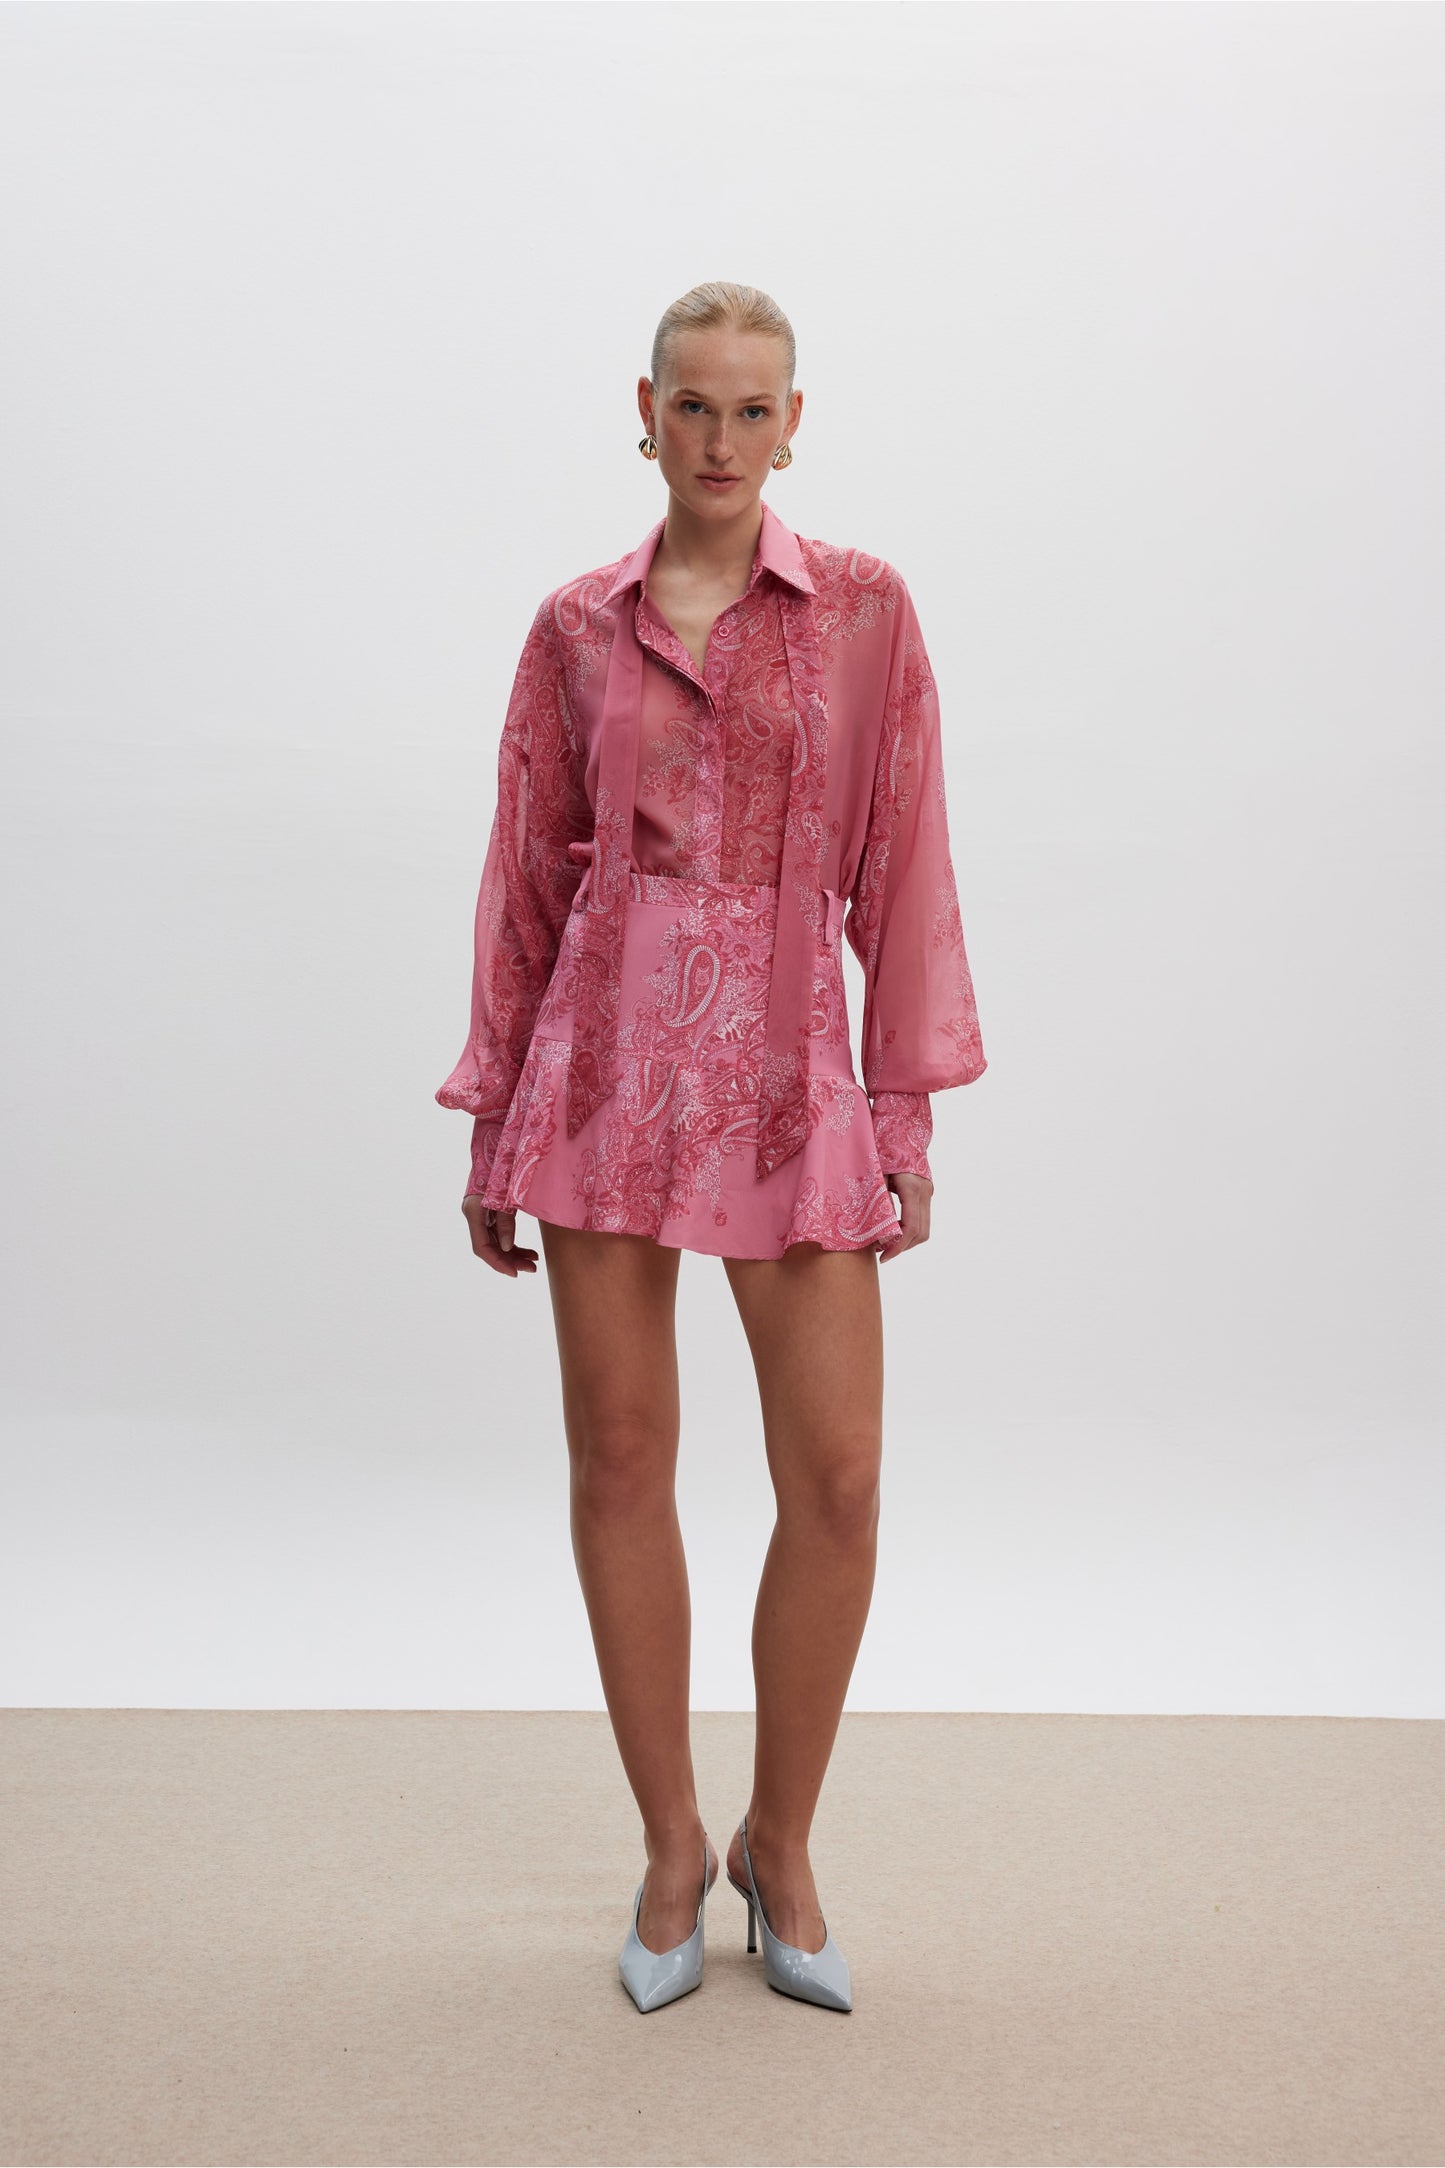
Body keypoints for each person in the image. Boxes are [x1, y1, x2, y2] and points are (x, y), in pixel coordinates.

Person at [435, 280, 986, 2013]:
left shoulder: (864, 610)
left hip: (785, 1069)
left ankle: (781, 1842)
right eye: (693, 406)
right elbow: (527, 870)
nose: (721, 439)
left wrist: (897, 1109)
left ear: (793, 423)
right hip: (601, 1065)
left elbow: (902, 858)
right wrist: (492, 1117)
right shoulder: (573, 625)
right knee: (620, 1456)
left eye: (752, 410)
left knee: (838, 1477)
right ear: (646, 412)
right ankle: (672, 1845)